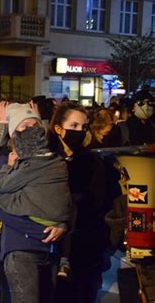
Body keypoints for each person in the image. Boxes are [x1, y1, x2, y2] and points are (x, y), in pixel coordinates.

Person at [0, 103, 70, 303]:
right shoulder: (3, 162)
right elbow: (3, 208)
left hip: (50, 251)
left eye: (34, 125)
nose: (30, 131)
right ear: (13, 132)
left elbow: (63, 200)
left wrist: (61, 224)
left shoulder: (51, 162)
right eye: (23, 127)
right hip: (21, 249)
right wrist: (44, 230)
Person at [48, 102, 109, 303]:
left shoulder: (92, 161)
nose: (79, 132)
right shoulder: (47, 160)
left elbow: (99, 201)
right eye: (74, 126)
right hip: (51, 243)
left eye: (83, 127)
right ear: (58, 128)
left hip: (84, 242)